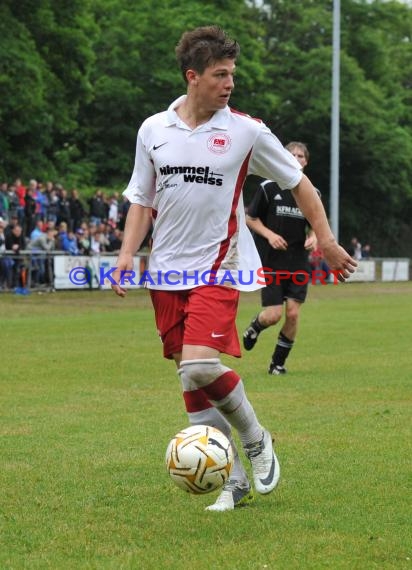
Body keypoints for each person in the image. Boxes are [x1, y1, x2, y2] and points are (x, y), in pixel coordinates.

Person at [111, 25, 356, 512]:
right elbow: (141, 200)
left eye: (232, 75)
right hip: (165, 272)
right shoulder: (153, 130)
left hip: (220, 265)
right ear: (193, 76)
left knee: (202, 364)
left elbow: (300, 183)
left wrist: (325, 240)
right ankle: (234, 480)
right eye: (220, 74)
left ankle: (256, 437)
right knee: (190, 378)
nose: (229, 83)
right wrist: (124, 256)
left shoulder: (246, 130)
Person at [243, 141, 318, 375]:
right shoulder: (268, 187)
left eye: (301, 156)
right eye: (291, 155)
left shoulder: (311, 193)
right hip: (271, 262)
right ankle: (255, 326)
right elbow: (250, 218)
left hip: (298, 262)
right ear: (282, 158)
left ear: (306, 162)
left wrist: (314, 237)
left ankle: (277, 364)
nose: (296, 159)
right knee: (273, 315)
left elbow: (317, 224)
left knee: (293, 314)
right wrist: (270, 234)